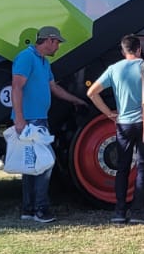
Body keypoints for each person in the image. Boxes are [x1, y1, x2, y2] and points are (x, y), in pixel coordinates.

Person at [88, 35, 144, 224]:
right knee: (143, 168)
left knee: (122, 168)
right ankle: (137, 212)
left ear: (123, 51)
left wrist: (108, 113)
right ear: (139, 49)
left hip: (123, 124)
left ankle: (119, 212)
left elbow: (92, 93)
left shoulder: (113, 69)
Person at [11, 26, 88, 224]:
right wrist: (19, 118)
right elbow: (17, 87)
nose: (58, 47)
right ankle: (41, 210)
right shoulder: (26, 58)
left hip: (36, 120)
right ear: (49, 40)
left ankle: (28, 210)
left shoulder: (44, 62)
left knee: (31, 166)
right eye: (57, 43)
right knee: (46, 163)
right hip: (30, 121)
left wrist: (75, 100)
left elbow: (54, 88)